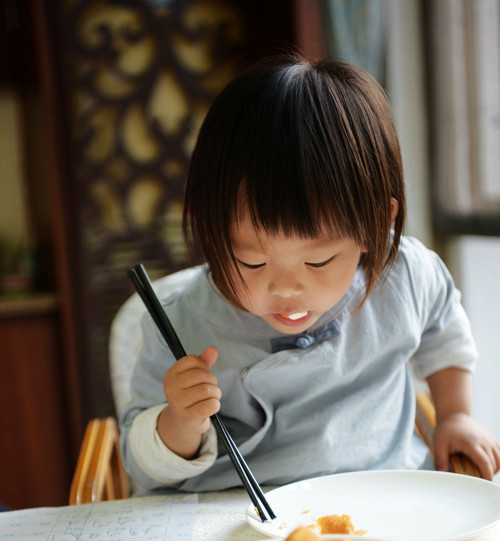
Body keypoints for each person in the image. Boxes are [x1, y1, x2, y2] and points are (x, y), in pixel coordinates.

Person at [120, 54, 500, 494]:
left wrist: (454, 413)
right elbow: (140, 462)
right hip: (237, 518)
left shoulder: (404, 277)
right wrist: (179, 423)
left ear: (374, 226)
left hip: (385, 497)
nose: (284, 288)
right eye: (252, 262)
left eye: (318, 261)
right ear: (210, 229)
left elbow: (443, 326)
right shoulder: (181, 325)